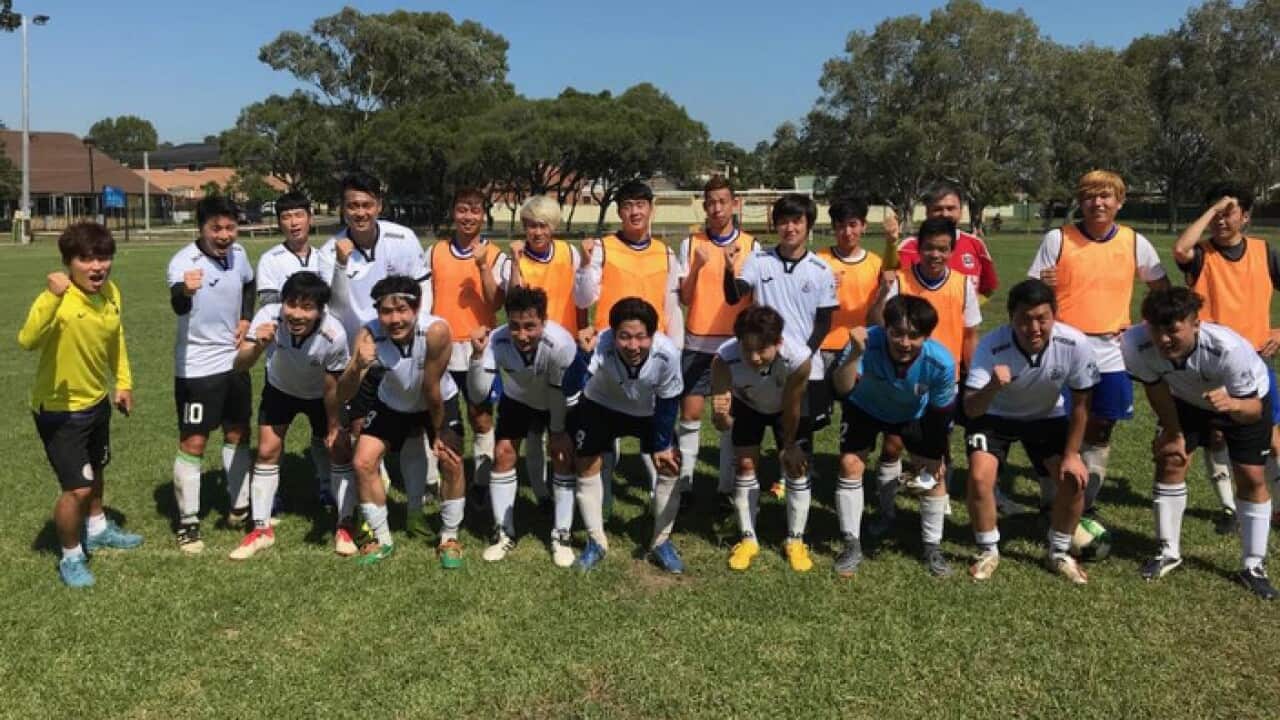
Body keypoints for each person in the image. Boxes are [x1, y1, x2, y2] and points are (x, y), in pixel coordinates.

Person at [1028, 169, 1169, 519]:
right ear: (1081, 202)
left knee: (1102, 425)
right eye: (1090, 196)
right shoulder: (1058, 239)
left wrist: (1143, 328)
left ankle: (1084, 503)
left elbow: (1162, 291)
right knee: (1052, 422)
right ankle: (1050, 493)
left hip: (1112, 349)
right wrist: (1045, 286)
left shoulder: (1134, 241)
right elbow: (1031, 297)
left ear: (1119, 202)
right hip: (1063, 345)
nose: (1098, 202)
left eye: (1106, 196)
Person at [1122, 288, 1276, 599]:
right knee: (1171, 459)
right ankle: (1168, 551)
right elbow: (1156, 389)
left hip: (1242, 400)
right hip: (1186, 399)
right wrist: (1173, 431)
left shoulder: (1228, 349)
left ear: (1195, 324)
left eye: (1172, 330)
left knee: (1251, 476)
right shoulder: (1133, 343)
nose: (1163, 339)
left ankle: (1253, 565)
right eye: (1156, 329)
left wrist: (1232, 405)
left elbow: (1254, 411)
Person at [19, 222, 140, 587]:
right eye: (86, 259)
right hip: (59, 410)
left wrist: (123, 382)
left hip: (96, 401)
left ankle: (99, 527)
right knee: (78, 488)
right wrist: (53, 298)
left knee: (98, 467)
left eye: (103, 258)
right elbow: (27, 341)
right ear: (68, 263)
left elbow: (115, 337)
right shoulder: (55, 298)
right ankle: (71, 557)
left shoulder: (111, 292)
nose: (97, 267)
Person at [962, 279, 1099, 583]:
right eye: (1025, 319)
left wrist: (1072, 454)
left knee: (1074, 479)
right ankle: (988, 550)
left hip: (1045, 416)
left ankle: (1060, 552)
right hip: (994, 416)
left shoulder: (1074, 344)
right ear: (1011, 317)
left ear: (1055, 315)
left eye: (1042, 318)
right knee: (979, 475)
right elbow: (971, 408)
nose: (1034, 327)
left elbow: (1081, 404)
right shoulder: (992, 345)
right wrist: (993, 386)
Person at [323, 172, 430, 531]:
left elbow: (422, 293)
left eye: (366, 204)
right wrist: (340, 263)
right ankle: (375, 501)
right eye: (352, 205)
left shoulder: (403, 238)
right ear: (343, 209)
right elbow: (336, 308)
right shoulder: (331, 249)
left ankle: (415, 508)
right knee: (360, 429)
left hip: (403, 346)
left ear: (379, 206)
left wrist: (415, 338)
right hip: (362, 353)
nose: (360, 211)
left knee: (414, 432)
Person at [336, 275, 466, 568]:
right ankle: (382, 539)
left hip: (437, 401)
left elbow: (431, 388)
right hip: (391, 402)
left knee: (451, 460)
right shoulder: (368, 335)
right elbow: (343, 392)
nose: (394, 319)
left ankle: (449, 537)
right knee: (362, 462)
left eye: (402, 310)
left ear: (417, 307)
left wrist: (440, 431)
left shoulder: (436, 331)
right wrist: (357, 366)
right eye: (386, 311)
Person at [1173, 182, 1280, 534]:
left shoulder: (1265, 253)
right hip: (1209, 362)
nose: (1220, 218)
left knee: (1273, 437)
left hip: (1254, 364)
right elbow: (1180, 247)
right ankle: (1229, 508)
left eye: (1228, 211)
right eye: (1214, 212)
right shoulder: (1201, 254)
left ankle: (1274, 505)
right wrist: (1213, 207)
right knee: (1216, 438)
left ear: (1245, 217)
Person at [573, 180, 684, 504]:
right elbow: (583, 299)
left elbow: (671, 306)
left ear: (651, 208)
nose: (634, 211)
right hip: (610, 351)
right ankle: (603, 499)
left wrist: (674, 350)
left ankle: (658, 497)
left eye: (640, 204)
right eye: (627, 205)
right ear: (619, 211)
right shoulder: (603, 248)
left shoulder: (665, 252)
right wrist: (583, 263)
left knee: (655, 425)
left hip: (651, 353)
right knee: (605, 427)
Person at [831, 295, 957, 577]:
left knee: (934, 476)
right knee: (850, 464)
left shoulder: (942, 363)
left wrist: (936, 456)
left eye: (914, 336)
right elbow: (841, 388)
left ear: (927, 335)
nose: (904, 342)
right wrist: (854, 354)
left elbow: (941, 412)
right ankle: (852, 544)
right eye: (897, 333)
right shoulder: (865, 342)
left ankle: (932, 548)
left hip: (914, 413)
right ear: (885, 328)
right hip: (864, 406)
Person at [228, 272, 352, 559]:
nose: (297, 314)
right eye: (291, 305)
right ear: (282, 303)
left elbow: (333, 384)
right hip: (280, 389)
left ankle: (344, 524)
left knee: (337, 449)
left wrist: (334, 425)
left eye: (307, 308)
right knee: (268, 450)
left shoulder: (334, 334)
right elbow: (240, 365)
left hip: (320, 393)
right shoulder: (268, 316)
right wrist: (257, 345)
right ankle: (261, 529)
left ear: (321, 310)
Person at [725, 193, 837, 501]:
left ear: (808, 225)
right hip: (763, 361)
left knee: (798, 437)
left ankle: (795, 495)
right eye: (784, 221)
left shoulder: (820, 269)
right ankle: (765, 489)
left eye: (797, 221)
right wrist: (727, 269)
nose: (790, 228)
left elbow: (824, 322)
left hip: (804, 366)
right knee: (760, 425)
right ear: (776, 225)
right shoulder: (759, 261)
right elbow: (735, 296)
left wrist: (804, 357)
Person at [563, 297, 684, 572]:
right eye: (624, 337)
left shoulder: (668, 353)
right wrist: (581, 354)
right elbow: (569, 388)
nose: (632, 346)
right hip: (602, 405)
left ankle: (661, 542)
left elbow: (669, 400)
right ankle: (596, 541)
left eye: (641, 337)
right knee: (585, 463)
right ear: (613, 334)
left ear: (653, 335)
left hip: (649, 410)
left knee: (670, 465)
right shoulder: (600, 344)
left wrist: (663, 444)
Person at [167, 195, 255, 554]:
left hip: (234, 362)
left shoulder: (240, 255)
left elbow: (249, 284)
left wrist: (246, 318)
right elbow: (178, 302)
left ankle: (240, 507)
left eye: (230, 227)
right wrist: (186, 290)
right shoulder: (183, 262)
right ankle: (188, 523)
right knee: (195, 441)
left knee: (237, 432)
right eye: (215, 228)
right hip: (198, 370)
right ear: (200, 228)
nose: (224, 235)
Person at [467, 286, 578, 566]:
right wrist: (477, 357)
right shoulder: (497, 340)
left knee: (562, 454)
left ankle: (561, 534)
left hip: (556, 398)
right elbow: (479, 394)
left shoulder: (561, 344)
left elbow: (559, 394)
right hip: (518, 398)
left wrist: (556, 431)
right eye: (515, 326)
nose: (522, 335)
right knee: (503, 454)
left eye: (530, 326)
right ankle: (504, 533)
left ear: (544, 320)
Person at [709, 306, 812, 571]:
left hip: (786, 407)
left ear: (778, 342)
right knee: (745, 464)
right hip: (747, 405)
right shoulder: (723, 359)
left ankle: (795, 540)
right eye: (747, 349)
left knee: (796, 467)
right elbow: (722, 419)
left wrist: (789, 445)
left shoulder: (798, 359)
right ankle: (748, 539)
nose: (753, 357)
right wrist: (721, 418)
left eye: (762, 350)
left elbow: (792, 405)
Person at [501, 195, 586, 512]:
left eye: (541, 226)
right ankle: (541, 492)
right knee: (535, 429)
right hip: (531, 349)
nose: (535, 232)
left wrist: (582, 331)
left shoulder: (568, 252)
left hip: (565, 349)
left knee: (565, 423)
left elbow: (579, 296)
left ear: (553, 227)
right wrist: (514, 263)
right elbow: (513, 299)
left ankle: (571, 483)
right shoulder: (515, 257)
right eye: (529, 226)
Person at [678, 176, 759, 505]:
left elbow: (754, 298)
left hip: (733, 345)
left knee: (727, 415)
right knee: (690, 414)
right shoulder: (691, 243)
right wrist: (696, 268)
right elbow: (684, 297)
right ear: (704, 204)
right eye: (710, 202)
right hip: (697, 342)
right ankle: (684, 486)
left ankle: (726, 487)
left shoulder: (752, 246)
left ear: (734, 203)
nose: (716, 208)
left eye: (722, 201)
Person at [424, 187, 506, 513]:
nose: (468, 216)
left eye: (474, 210)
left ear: (483, 214)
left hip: (478, 347)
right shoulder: (435, 252)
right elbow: (425, 297)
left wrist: (484, 266)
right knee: (438, 416)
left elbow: (496, 302)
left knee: (481, 417)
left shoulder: (496, 254)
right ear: (453, 213)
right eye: (462, 209)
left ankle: (482, 483)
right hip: (442, 347)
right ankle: (435, 481)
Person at [255, 190, 336, 508]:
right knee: (273, 438)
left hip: (319, 365)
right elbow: (272, 308)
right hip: (283, 364)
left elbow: (332, 304)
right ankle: (270, 494)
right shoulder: (271, 260)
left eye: (298, 215)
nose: (293, 222)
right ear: (279, 223)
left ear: (310, 218)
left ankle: (326, 485)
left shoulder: (324, 257)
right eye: (286, 217)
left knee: (322, 436)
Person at [896, 181, 999, 299]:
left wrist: (968, 308)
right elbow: (896, 289)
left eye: (951, 208)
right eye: (938, 209)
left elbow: (989, 287)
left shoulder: (976, 244)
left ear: (960, 211)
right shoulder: (908, 247)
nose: (945, 214)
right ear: (927, 212)